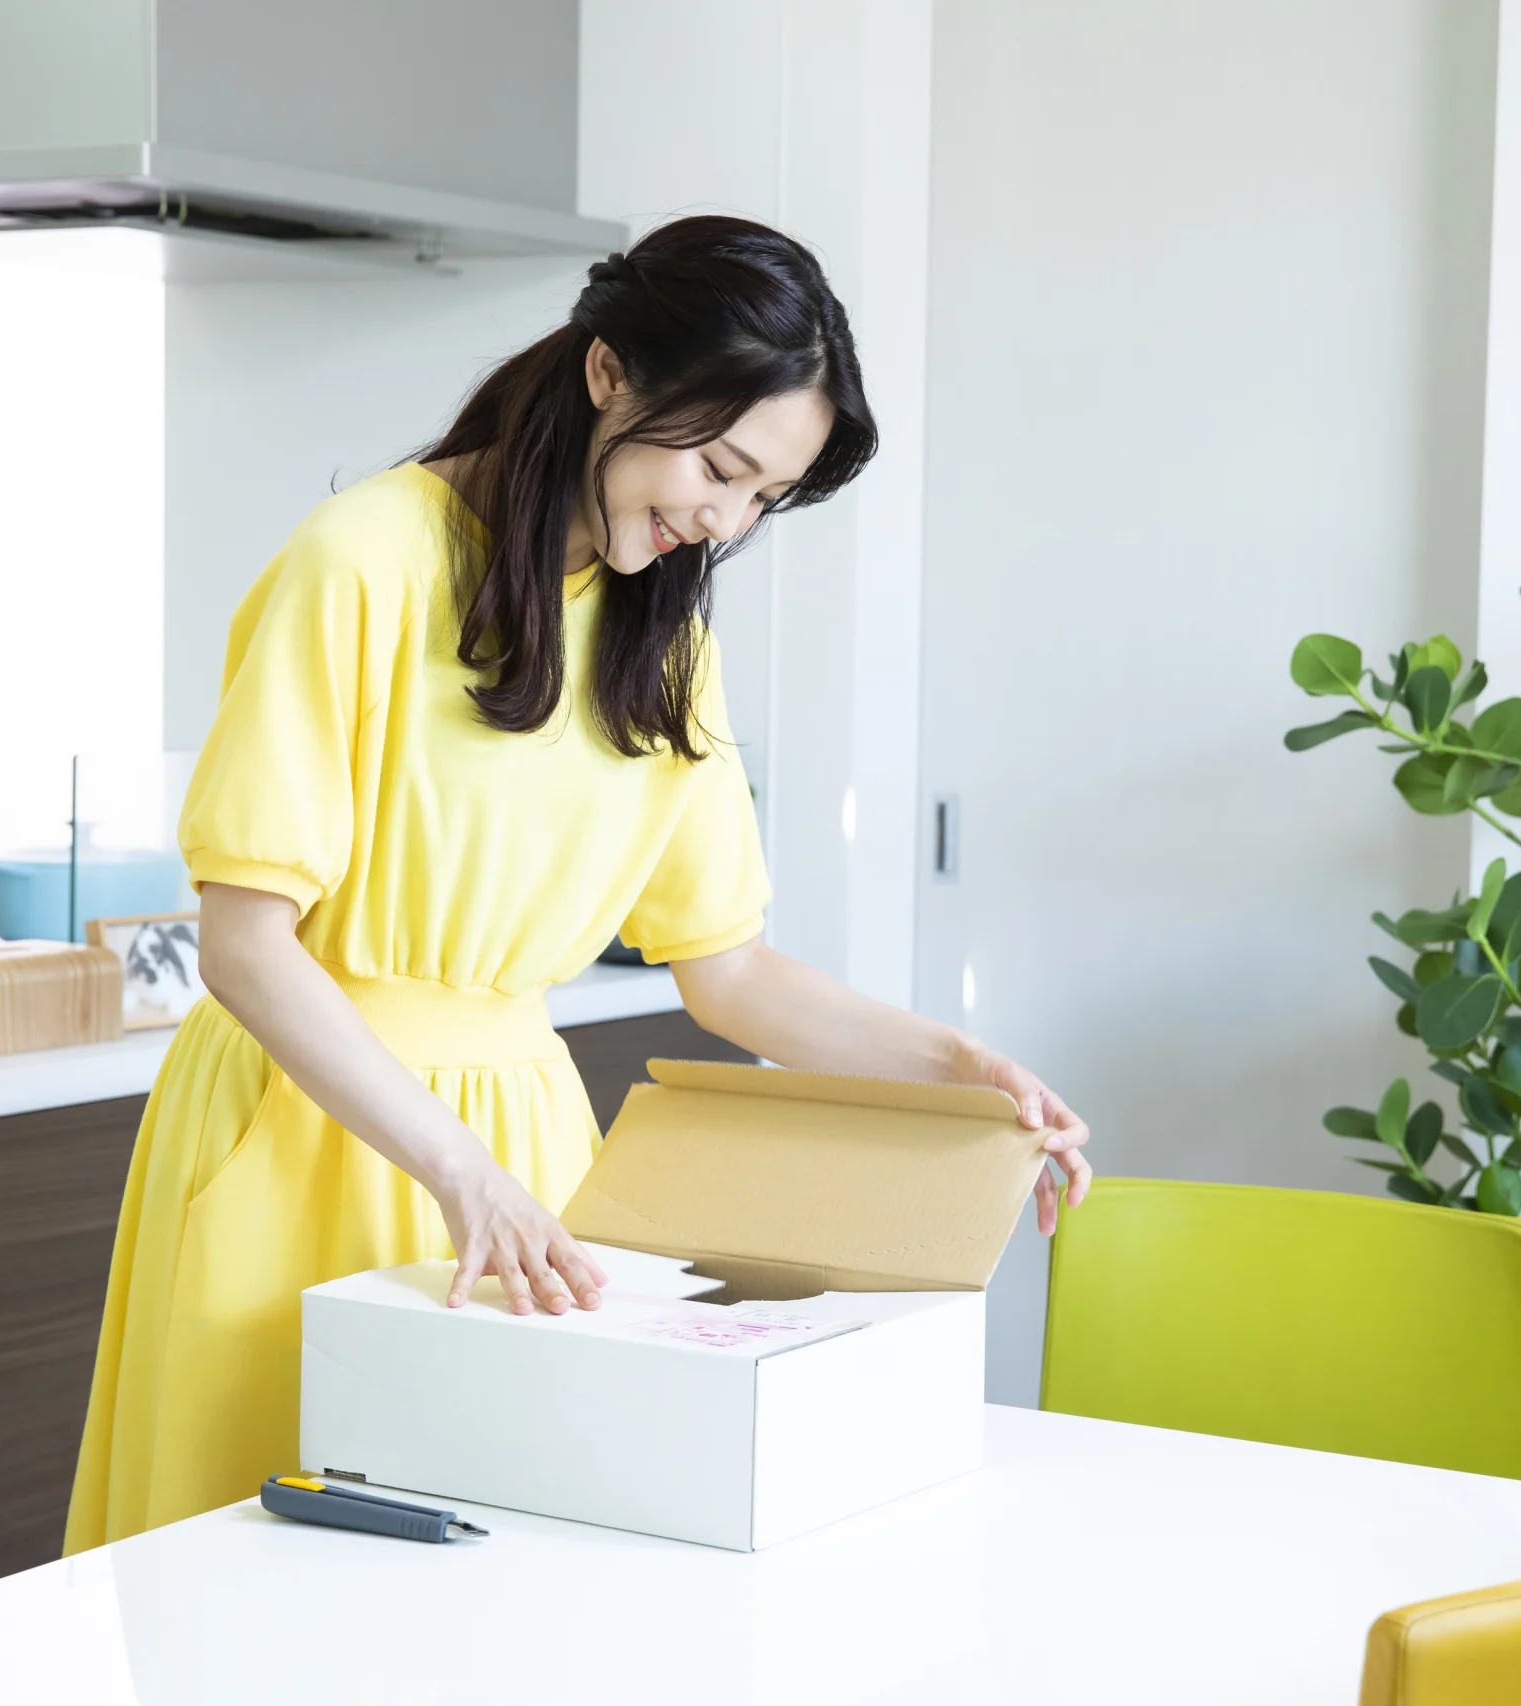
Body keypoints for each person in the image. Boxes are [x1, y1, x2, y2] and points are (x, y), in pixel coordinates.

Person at [64, 215, 1093, 1550]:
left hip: (522, 1159)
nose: (721, 519)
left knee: (517, 1580)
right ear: (609, 375)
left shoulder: (661, 642)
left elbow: (728, 971)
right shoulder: (364, 558)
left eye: (762, 498)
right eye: (719, 465)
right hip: (304, 1125)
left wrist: (957, 1065)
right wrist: (458, 1171)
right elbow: (249, 944)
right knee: (257, 1567)